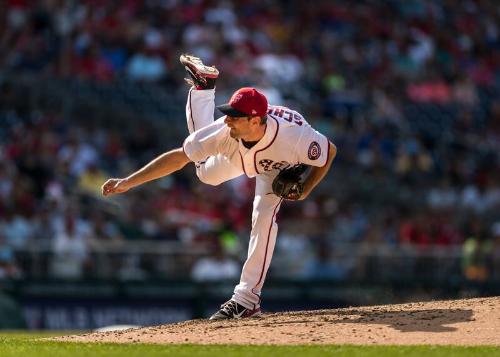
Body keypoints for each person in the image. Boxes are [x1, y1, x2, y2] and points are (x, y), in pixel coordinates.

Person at [102, 54, 337, 320]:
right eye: (228, 114)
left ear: (254, 120)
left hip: (278, 164)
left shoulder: (295, 138)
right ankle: (203, 88)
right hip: (237, 152)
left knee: (263, 218)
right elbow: (179, 157)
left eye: (235, 116)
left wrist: (306, 188)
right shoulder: (225, 132)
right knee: (204, 174)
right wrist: (128, 182)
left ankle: (246, 300)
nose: (227, 120)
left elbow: (328, 152)